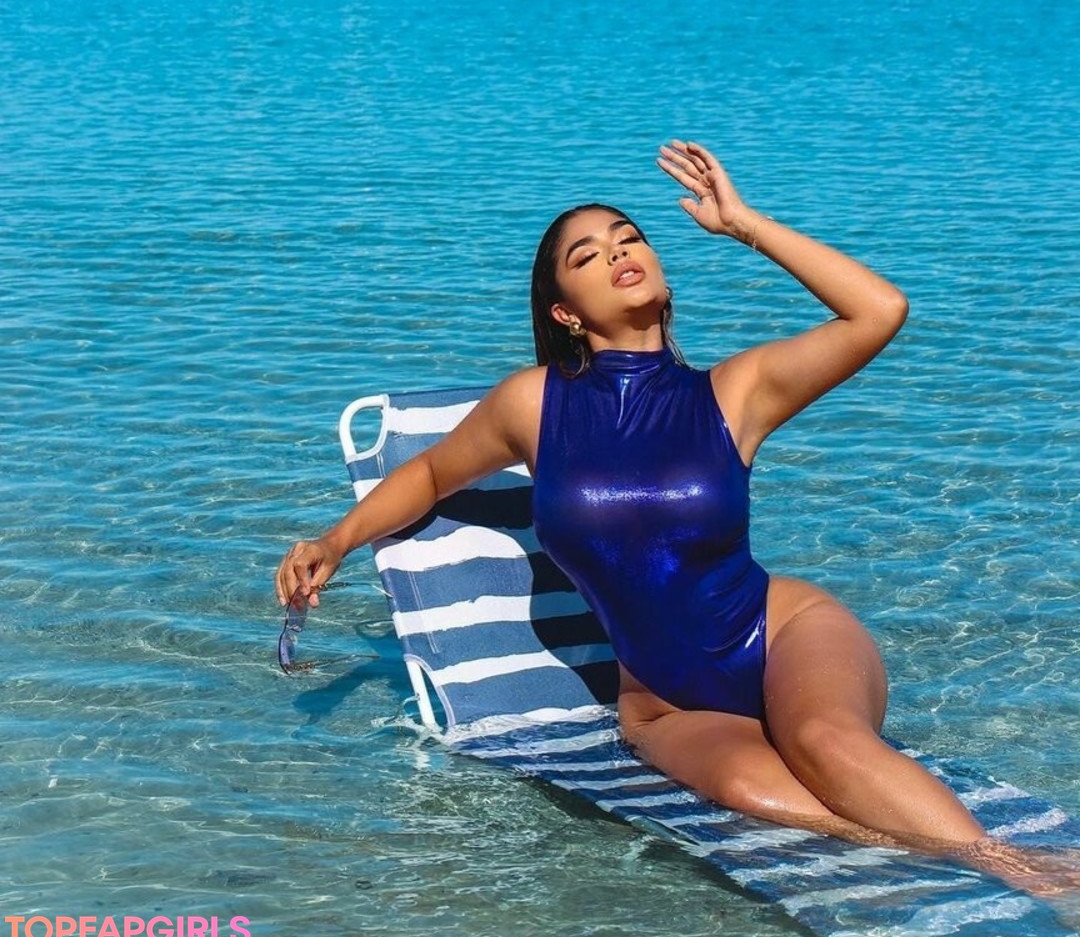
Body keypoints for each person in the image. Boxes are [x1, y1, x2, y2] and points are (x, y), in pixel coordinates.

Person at [276, 139, 1075, 891]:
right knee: (758, 797)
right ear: (565, 313)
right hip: (662, 703)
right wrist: (336, 540)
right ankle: (963, 858)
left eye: (629, 239)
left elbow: (879, 310)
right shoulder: (533, 404)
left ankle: (1030, 874)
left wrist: (745, 225)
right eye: (588, 255)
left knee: (824, 743)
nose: (618, 252)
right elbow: (427, 472)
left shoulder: (735, 393)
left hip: (782, 634)